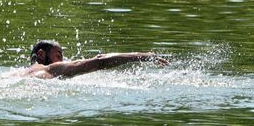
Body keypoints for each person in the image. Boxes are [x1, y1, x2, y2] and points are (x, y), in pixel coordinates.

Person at [21, 40, 168, 79]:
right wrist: (144, 56)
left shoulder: (18, 73)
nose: (61, 60)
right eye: (58, 55)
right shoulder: (50, 69)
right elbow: (100, 61)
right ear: (41, 54)